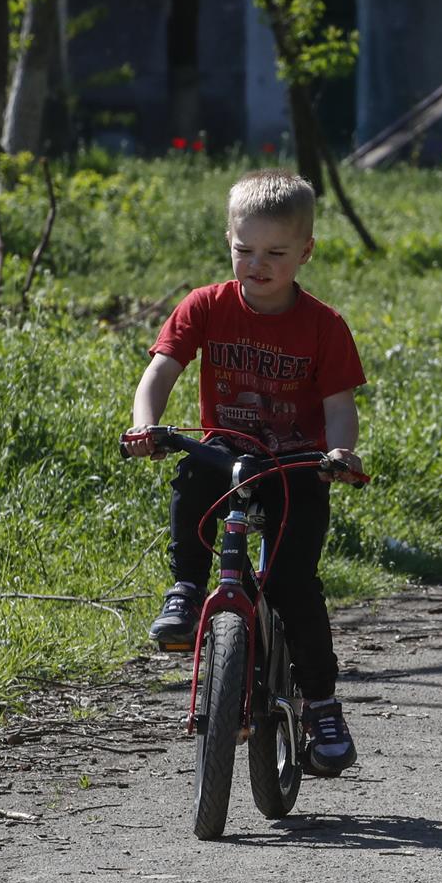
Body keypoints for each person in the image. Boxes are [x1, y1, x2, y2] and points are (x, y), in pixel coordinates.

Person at [123, 170, 369, 777]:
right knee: (193, 474)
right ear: (229, 241)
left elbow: (340, 408)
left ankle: (322, 704)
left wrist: (338, 456)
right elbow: (160, 371)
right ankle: (185, 588)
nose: (257, 265)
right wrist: (146, 426)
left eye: (275, 253)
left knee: (292, 586)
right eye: (244, 250)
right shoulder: (205, 306)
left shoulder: (323, 326)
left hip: (295, 466)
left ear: (305, 252)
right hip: (226, 454)